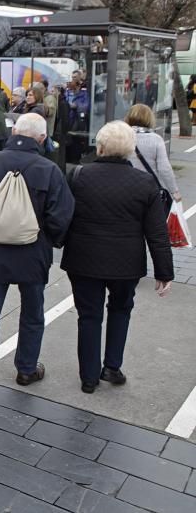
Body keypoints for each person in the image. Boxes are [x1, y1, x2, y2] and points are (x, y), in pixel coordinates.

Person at [0, 113, 74, 413]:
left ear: (14, 132)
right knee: (32, 315)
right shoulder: (49, 170)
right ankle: (26, 369)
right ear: (42, 139)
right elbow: (62, 217)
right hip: (32, 257)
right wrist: (49, 242)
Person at [62, 121, 173, 394]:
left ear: (99, 147)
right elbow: (157, 233)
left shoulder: (78, 176)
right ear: (130, 151)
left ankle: (88, 378)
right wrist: (164, 272)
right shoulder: (146, 183)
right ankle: (112, 366)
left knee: (88, 315)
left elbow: (63, 217)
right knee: (121, 309)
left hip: (84, 259)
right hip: (126, 262)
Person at [125, 103, 181, 206]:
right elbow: (164, 168)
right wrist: (174, 191)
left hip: (125, 187)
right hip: (149, 188)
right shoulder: (156, 139)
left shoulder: (121, 137)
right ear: (149, 119)